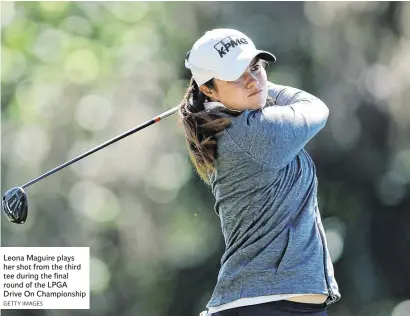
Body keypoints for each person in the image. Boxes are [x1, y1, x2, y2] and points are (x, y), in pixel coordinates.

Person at [178, 29, 341, 316]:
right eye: (235, 75)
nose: (252, 80)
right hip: (265, 305)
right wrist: (268, 87)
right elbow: (317, 108)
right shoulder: (255, 133)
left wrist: (252, 86)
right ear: (208, 89)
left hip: (279, 304)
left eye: (255, 67)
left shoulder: (232, 125)